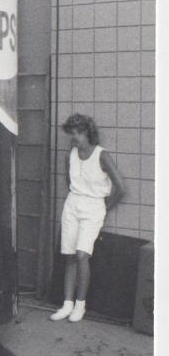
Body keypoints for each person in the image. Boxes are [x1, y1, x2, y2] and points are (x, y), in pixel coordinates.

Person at [50, 113, 125, 324]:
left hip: (94, 206)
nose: (73, 138)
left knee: (82, 254)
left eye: (76, 134)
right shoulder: (70, 154)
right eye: (71, 134)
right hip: (73, 204)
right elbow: (70, 181)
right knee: (69, 255)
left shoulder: (102, 155)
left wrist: (104, 208)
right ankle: (67, 304)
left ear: (86, 133)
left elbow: (120, 187)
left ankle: (80, 305)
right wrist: (77, 199)